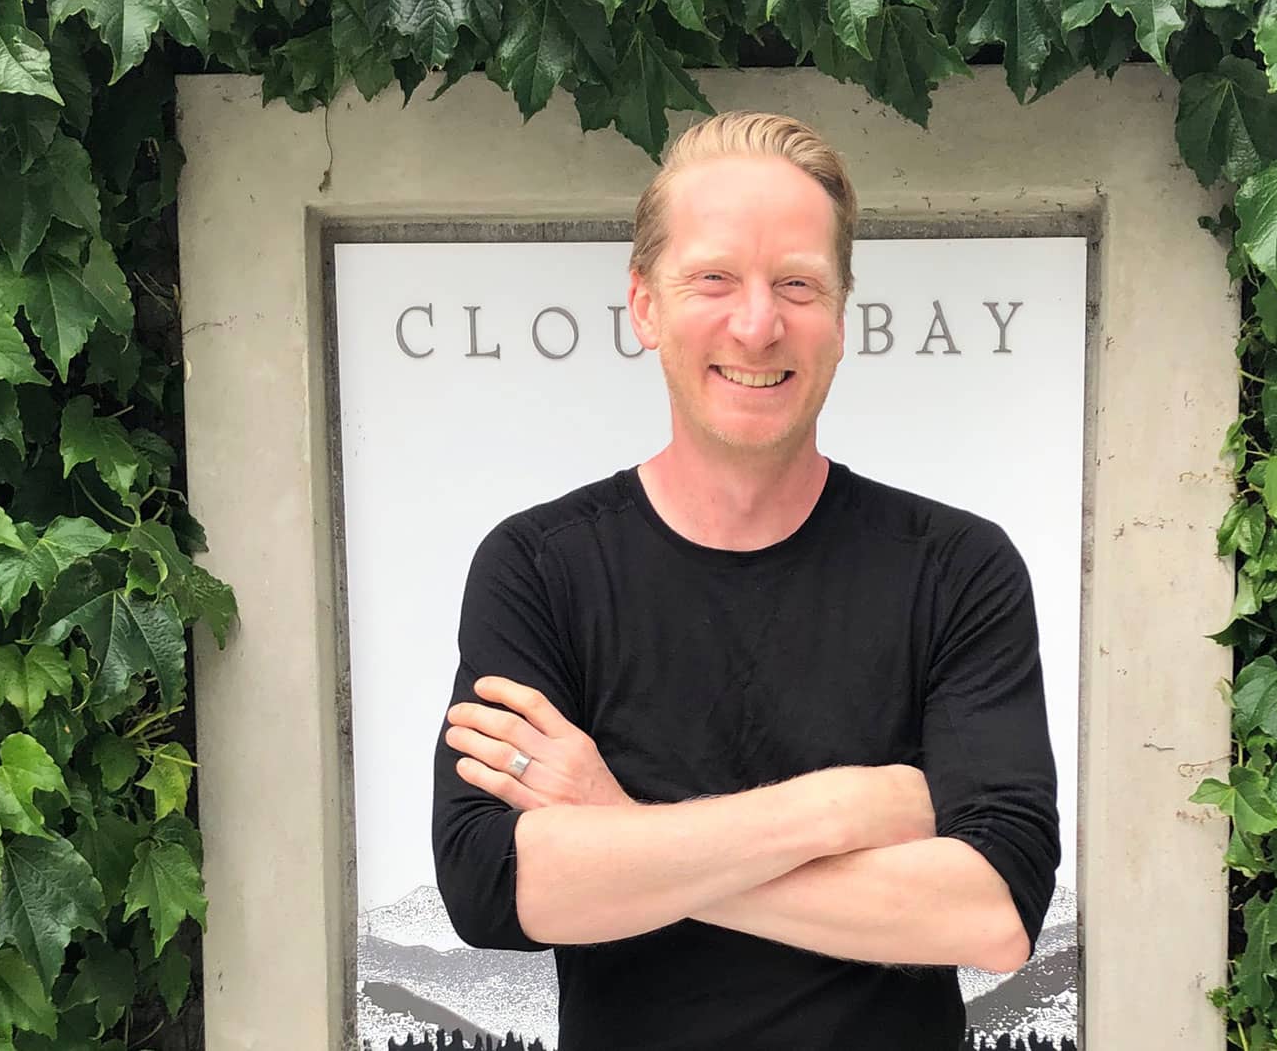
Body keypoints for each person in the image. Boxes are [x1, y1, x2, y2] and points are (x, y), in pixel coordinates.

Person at [430, 111, 1060, 1050]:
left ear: (842, 315)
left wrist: (620, 829)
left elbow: (992, 914)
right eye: (714, 279)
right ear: (645, 304)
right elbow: (494, 887)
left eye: (797, 285)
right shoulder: (540, 568)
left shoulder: (958, 570)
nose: (758, 324)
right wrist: (841, 807)